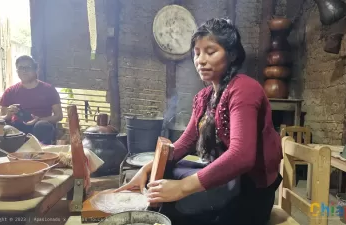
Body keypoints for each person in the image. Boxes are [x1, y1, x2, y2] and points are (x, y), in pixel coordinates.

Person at [114, 18, 283, 225]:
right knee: (166, 173)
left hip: (250, 190)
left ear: (231, 55)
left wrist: (181, 188)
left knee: (174, 210)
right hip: (228, 180)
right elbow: (185, 143)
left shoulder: (245, 89)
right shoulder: (204, 97)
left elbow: (241, 156)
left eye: (210, 52)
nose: (200, 60)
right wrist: (147, 169)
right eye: (196, 53)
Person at [0, 55, 63, 145]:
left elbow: (59, 116)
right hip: (16, 127)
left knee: (42, 126)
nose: (24, 71)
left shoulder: (49, 89)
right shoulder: (11, 91)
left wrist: (39, 119)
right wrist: (8, 115)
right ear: (17, 71)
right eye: (21, 68)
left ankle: (42, 154)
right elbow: (0, 118)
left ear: (35, 70)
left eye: (28, 67)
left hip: (40, 126)